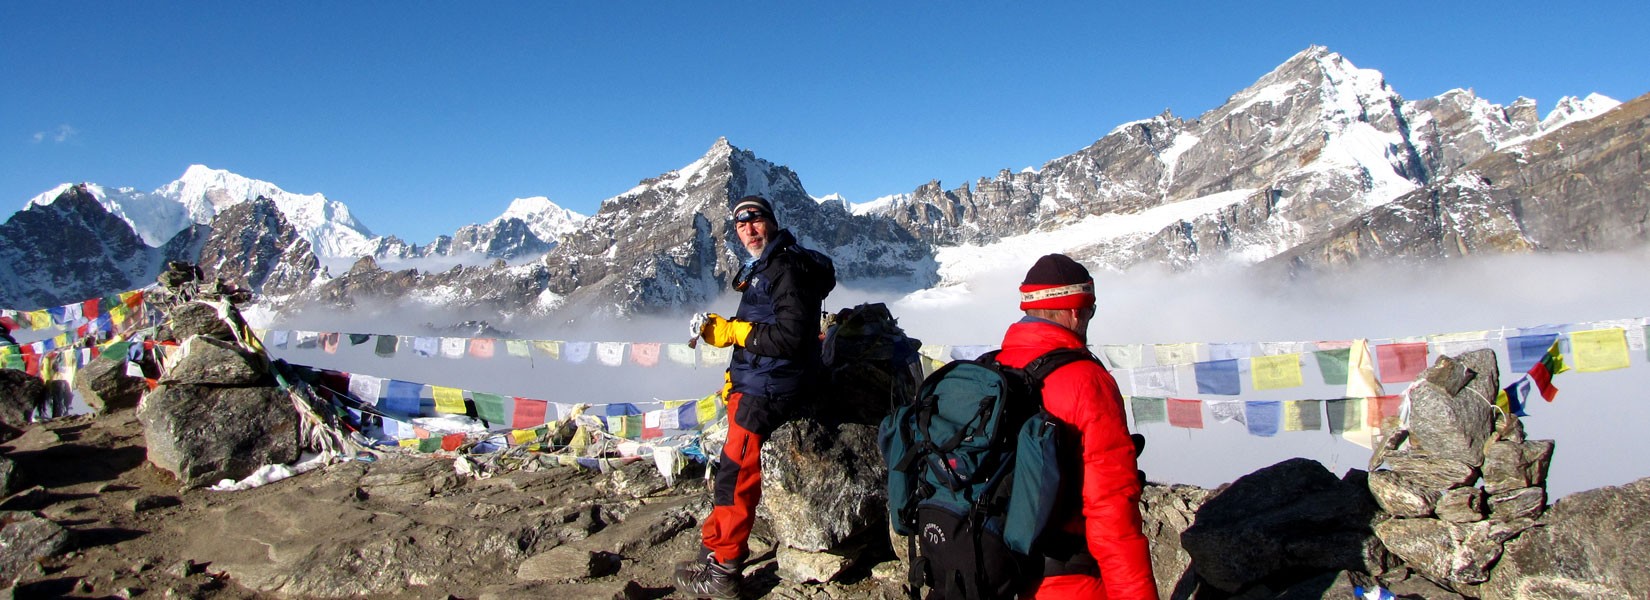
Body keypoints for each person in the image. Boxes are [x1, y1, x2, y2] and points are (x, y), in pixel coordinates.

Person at [675, 196, 837, 599]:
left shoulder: (783, 268)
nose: (747, 227)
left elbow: (790, 337)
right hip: (757, 380)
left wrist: (733, 333)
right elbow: (768, 323)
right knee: (728, 470)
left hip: (770, 388)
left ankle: (724, 572)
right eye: (739, 222)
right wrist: (734, 367)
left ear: (771, 221)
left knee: (735, 473)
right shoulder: (769, 264)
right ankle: (712, 548)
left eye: (755, 219)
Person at [996, 254, 1157, 600]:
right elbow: (1112, 516)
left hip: (998, 577)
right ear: (1074, 311)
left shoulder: (994, 371)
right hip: (1070, 583)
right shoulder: (1088, 382)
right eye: (1090, 309)